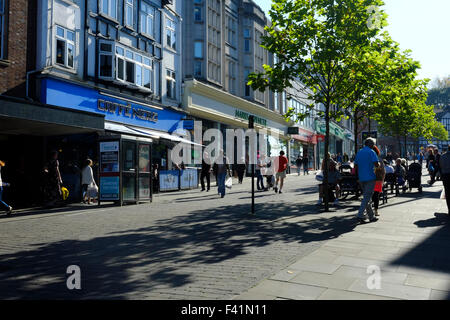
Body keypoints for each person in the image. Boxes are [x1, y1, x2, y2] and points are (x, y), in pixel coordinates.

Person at [354, 138, 380, 224]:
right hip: (370, 177)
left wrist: (358, 176)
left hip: (361, 177)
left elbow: (356, 166)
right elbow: (376, 164)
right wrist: (378, 165)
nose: (373, 146)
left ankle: (371, 216)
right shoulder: (371, 152)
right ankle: (360, 215)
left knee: (366, 197)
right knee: (366, 197)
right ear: (370, 144)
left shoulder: (359, 152)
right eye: (373, 144)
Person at [372, 146, 385, 217]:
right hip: (378, 179)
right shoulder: (379, 159)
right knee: (376, 195)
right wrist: (382, 180)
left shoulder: (368, 159)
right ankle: (376, 211)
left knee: (370, 195)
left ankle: (369, 209)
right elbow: (383, 171)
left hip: (370, 179)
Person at [439, 145, 450, 216]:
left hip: (445, 176)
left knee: (448, 193)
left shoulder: (442, 156)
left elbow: (440, 166)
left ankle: (449, 209)